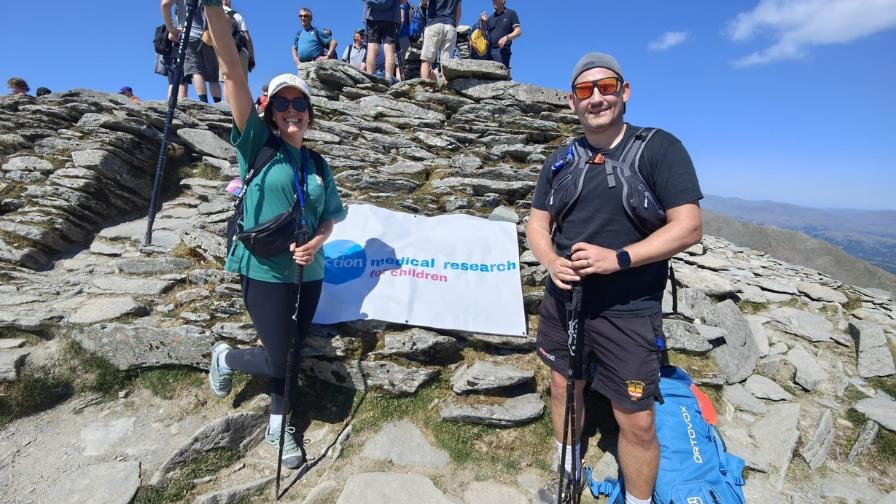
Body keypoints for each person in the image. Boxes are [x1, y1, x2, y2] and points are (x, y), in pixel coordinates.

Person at [525, 53, 703, 504]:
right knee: (566, 386)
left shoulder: (659, 148)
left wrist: (618, 259)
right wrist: (550, 261)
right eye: (585, 91)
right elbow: (537, 223)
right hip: (564, 301)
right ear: (572, 102)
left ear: (625, 91)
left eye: (606, 87)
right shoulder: (561, 159)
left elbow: (689, 227)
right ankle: (569, 473)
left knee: (636, 418)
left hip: (630, 309)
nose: (597, 98)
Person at [204, 0, 346, 471]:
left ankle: (278, 424)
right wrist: (212, 11)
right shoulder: (256, 145)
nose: (292, 111)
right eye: (282, 102)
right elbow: (231, 75)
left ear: (309, 113)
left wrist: (319, 242)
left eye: (299, 104)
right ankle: (226, 359)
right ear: (270, 110)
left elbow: (330, 218)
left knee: (290, 354)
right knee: (281, 357)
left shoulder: (320, 164)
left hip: (311, 273)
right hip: (263, 270)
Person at [161, 0, 222, 102]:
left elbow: (165, 4)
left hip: (189, 35)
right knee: (213, 76)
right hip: (208, 36)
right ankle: (219, 103)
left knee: (195, 70)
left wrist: (171, 28)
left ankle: (204, 103)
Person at [419, 0, 461, 81]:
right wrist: (455, 25)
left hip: (434, 23)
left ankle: (424, 87)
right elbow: (458, 9)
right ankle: (444, 89)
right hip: (450, 26)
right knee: (446, 63)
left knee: (426, 60)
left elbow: (424, 1)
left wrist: (423, 4)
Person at [363, 0, 400, 83]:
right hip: (392, 17)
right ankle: (389, 78)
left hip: (372, 16)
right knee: (389, 47)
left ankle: (370, 76)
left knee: (372, 46)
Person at [478, 0, 520, 69]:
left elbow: (518, 31)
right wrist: (483, 23)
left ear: (503, 1)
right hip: (488, 50)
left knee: (500, 75)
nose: (494, 2)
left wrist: (506, 38)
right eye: (493, 1)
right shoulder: (490, 18)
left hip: (502, 50)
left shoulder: (511, 13)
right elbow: (484, 34)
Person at [223, 0, 255, 75]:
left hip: (223, 52)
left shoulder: (215, 13)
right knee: (242, 82)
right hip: (240, 51)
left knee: (227, 81)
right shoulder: (237, 15)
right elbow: (247, 37)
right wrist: (252, 58)